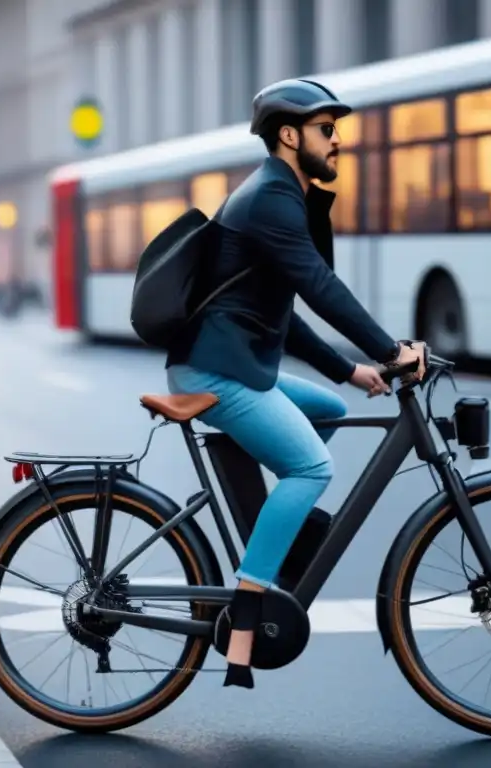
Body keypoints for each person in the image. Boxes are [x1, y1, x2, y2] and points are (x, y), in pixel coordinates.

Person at [164, 78, 426, 690]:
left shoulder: (282, 192)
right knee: (311, 470)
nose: (338, 142)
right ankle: (250, 609)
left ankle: (268, 529)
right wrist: (391, 350)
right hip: (215, 371)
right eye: (326, 130)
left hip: (235, 362)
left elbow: (283, 309)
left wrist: (351, 369)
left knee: (328, 409)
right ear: (289, 135)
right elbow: (319, 286)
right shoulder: (272, 197)